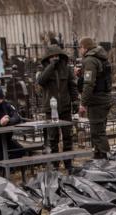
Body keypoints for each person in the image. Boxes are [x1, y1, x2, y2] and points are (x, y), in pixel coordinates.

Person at [36, 35, 79, 167]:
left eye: (57, 56)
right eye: (52, 56)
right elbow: (41, 81)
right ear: (48, 58)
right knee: (53, 137)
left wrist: (75, 101)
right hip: (51, 109)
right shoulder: (44, 70)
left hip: (65, 107)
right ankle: (55, 164)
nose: (55, 58)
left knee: (67, 136)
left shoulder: (67, 69)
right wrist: (51, 66)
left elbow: (72, 86)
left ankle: (68, 163)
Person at [78, 37, 113, 159]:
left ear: (85, 47)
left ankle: (104, 158)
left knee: (97, 132)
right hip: (105, 98)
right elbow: (99, 76)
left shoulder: (90, 60)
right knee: (99, 129)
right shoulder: (101, 57)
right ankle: (99, 155)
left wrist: (83, 103)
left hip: (97, 100)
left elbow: (89, 84)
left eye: (80, 47)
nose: (79, 50)